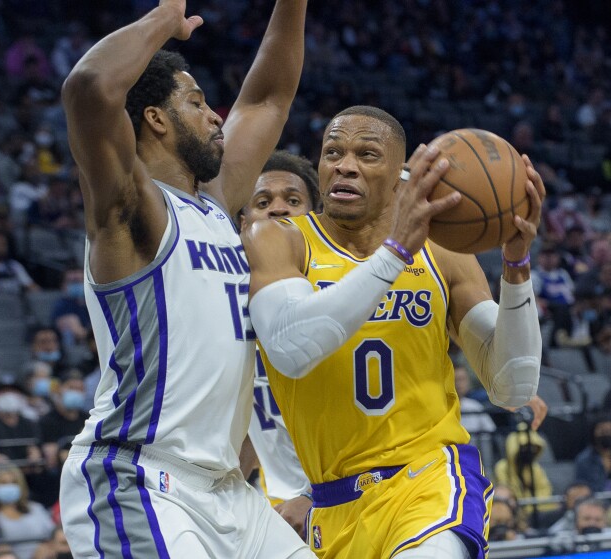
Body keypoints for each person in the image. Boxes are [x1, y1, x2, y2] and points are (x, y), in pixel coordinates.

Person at [57, 1, 311, 557]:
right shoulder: (133, 210)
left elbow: (268, 98)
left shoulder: (218, 205)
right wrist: (161, 20)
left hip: (227, 489)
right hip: (140, 478)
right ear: (155, 118)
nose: (218, 116)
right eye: (197, 103)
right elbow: (88, 89)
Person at [243, 105, 544, 557]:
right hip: (332, 503)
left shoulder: (442, 254)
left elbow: (513, 385)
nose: (345, 165)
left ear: (401, 174)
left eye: (367, 154)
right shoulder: (279, 240)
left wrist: (516, 267)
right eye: (333, 152)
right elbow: (290, 346)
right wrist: (395, 251)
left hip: (429, 479)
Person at [239, 151, 319, 538]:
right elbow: (257, 421)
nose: (277, 210)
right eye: (262, 202)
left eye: (293, 200)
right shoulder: (234, 306)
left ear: (316, 217)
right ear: (243, 223)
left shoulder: (340, 291)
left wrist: (313, 494)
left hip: (350, 495)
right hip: (279, 510)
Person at [0, 465, 54, 559]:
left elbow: (53, 536)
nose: (9, 486)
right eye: (3, 483)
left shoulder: (36, 509)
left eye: (13, 482)